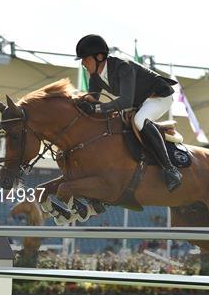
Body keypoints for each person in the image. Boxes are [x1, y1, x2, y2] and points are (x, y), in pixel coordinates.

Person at [75, 34, 182, 192]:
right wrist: (77, 103)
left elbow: (124, 101)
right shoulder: (95, 76)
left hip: (159, 96)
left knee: (140, 120)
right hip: (139, 102)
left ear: (99, 57)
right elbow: (92, 99)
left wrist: (97, 109)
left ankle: (170, 169)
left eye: (85, 58)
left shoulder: (122, 67)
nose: (83, 63)